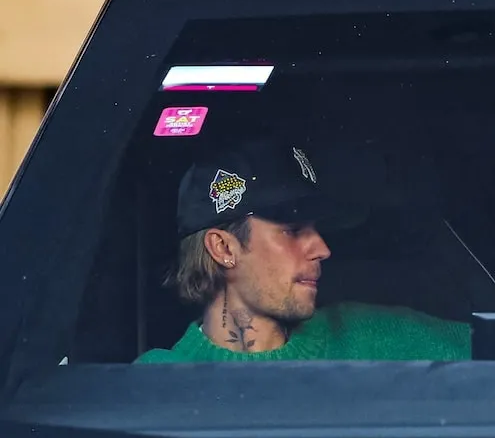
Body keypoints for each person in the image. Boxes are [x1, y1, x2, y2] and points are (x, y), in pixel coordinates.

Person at [135, 137, 472, 363]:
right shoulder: (156, 382)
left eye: (317, 229)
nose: (323, 249)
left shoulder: (374, 337)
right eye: (293, 231)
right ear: (223, 248)